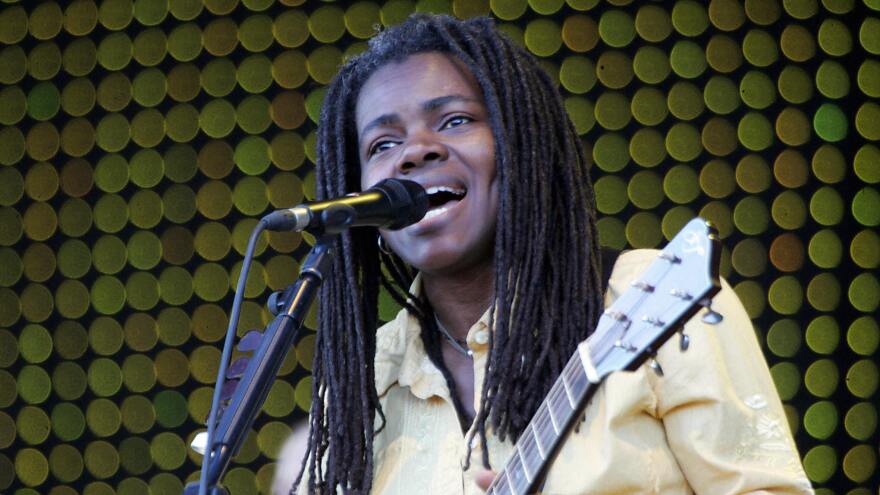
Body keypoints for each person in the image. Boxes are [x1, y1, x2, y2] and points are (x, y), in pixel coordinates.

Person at [278, 14, 814, 494]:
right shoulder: (362, 381)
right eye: (382, 145)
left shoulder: (649, 294)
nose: (415, 151)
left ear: (524, 147)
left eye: (455, 120)